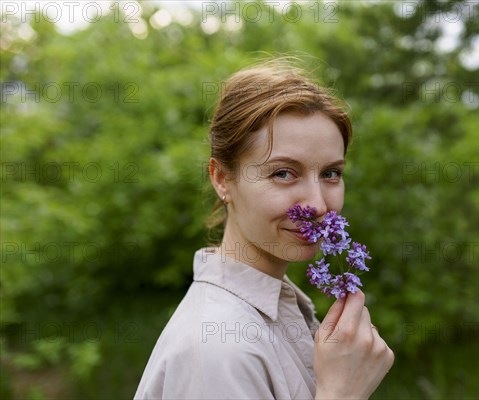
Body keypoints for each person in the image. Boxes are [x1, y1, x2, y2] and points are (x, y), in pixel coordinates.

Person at [134, 59, 394, 399]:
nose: (317, 204)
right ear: (222, 178)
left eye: (331, 173)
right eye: (283, 173)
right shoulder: (217, 351)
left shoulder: (279, 312)